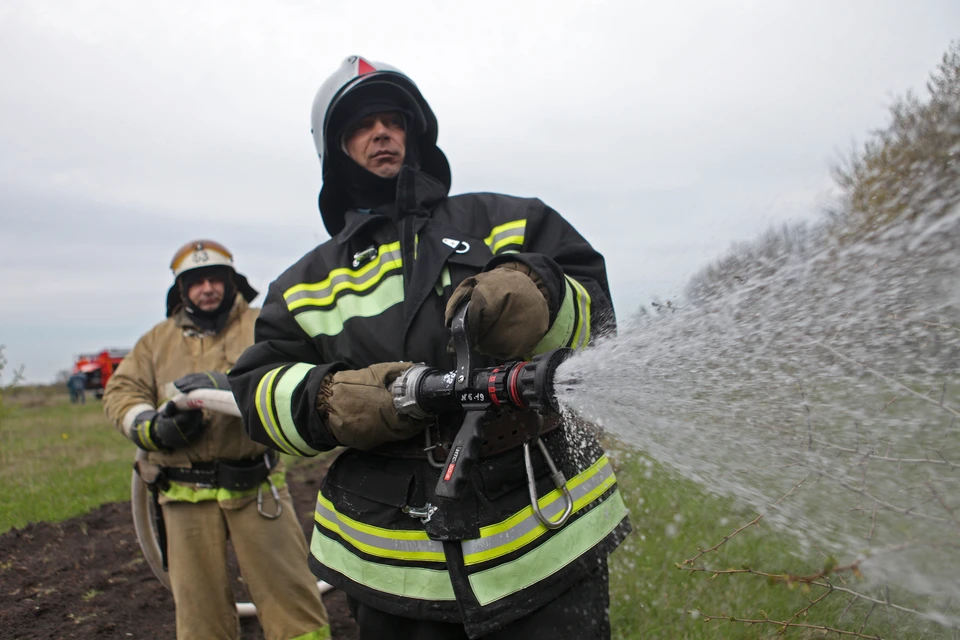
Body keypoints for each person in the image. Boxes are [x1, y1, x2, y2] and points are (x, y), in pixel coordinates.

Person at [229, 56, 631, 639]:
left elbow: (595, 311)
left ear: (415, 135)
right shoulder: (305, 284)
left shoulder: (506, 222)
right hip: (393, 568)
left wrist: (537, 292)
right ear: (336, 149)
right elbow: (256, 392)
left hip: (545, 530)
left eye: (394, 119)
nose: (382, 132)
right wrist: (332, 399)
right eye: (362, 125)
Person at [102, 240, 329, 640]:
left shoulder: (264, 325)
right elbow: (121, 392)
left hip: (257, 489)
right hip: (182, 494)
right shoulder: (156, 342)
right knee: (199, 616)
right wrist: (151, 427)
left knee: (293, 603)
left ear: (230, 281)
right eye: (195, 282)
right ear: (181, 290)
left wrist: (233, 386)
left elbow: (300, 374)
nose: (207, 288)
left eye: (214, 279)